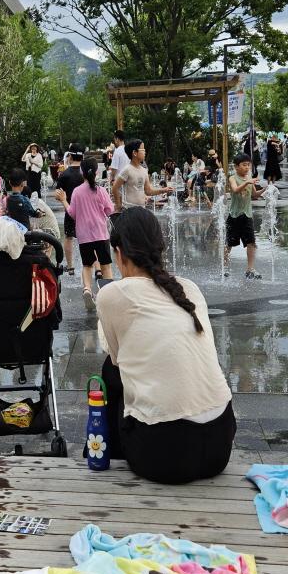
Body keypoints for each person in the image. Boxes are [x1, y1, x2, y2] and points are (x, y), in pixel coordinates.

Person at [96, 207, 236, 484]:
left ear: (118, 253)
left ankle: (108, 455)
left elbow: (116, 363)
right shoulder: (189, 288)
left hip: (164, 455)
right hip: (220, 445)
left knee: (109, 372)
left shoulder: (112, 294)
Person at [68, 157, 115, 312]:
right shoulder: (101, 191)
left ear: (82, 172)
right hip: (100, 233)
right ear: (96, 172)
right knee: (105, 265)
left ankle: (87, 289)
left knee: (87, 265)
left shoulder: (76, 192)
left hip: (84, 235)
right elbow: (110, 210)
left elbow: (72, 213)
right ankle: (107, 295)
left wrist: (63, 201)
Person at [224, 155, 264, 280]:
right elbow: (235, 190)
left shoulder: (249, 178)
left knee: (251, 242)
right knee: (229, 243)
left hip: (247, 216)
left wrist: (266, 189)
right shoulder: (232, 178)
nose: (247, 167)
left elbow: (254, 194)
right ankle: (225, 267)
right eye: (244, 165)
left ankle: (250, 269)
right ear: (236, 166)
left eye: (248, 165)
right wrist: (247, 182)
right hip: (234, 216)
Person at [111, 140, 173, 211]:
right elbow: (115, 188)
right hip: (129, 209)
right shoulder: (127, 170)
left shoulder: (144, 170)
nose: (145, 151)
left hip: (141, 209)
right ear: (134, 153)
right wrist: (118, 205)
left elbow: (148, 191)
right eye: (142, 149)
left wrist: (163, 190)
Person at [54, 144, 85, 274]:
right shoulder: (86, 172)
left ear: (70, 156)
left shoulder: (65, 174)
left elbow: (58, 195)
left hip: (70, 209)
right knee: (89, 237)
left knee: (69, 236)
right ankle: (96, 267)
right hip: (86, 210)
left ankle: (71, 267)